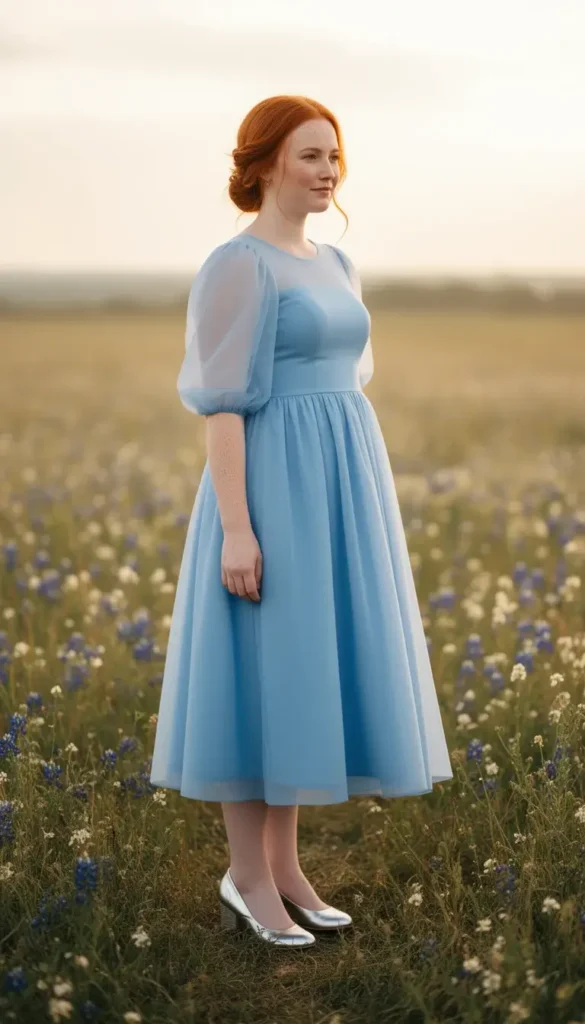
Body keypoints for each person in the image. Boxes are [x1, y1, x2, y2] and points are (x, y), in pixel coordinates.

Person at [150, 94, 453, 947]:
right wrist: (238, 528)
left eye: (334, 157)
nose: (327, 171)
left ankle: (284, 869)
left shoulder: (335, 263)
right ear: (266, 163)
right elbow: (222, 406)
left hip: (339, 480)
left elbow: (344, 377)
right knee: (260, 667)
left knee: (301, 669)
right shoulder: (237, 265)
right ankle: (245, 877)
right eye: (311, 156)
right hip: (267, 484)